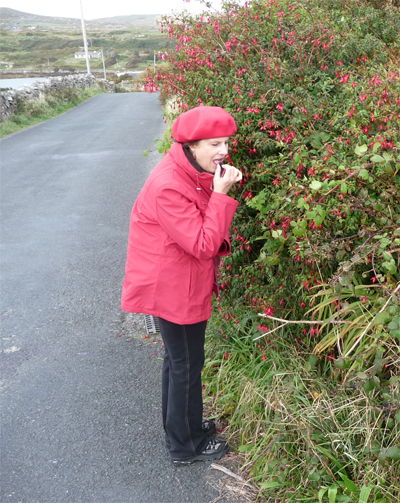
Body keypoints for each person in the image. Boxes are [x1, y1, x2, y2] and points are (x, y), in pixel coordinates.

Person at [121, 105, 242, 465]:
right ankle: (185, 445)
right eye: (215, 144)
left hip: (176, 280)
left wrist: (214, 185)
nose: (224, 151)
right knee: (186, 364)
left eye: (226, 142)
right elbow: (203, 245)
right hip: (173, 287)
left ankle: (183, 429)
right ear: (191, 146)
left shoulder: (186, 170)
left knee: (180, 362)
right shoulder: (169, 185)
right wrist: (221, 194)